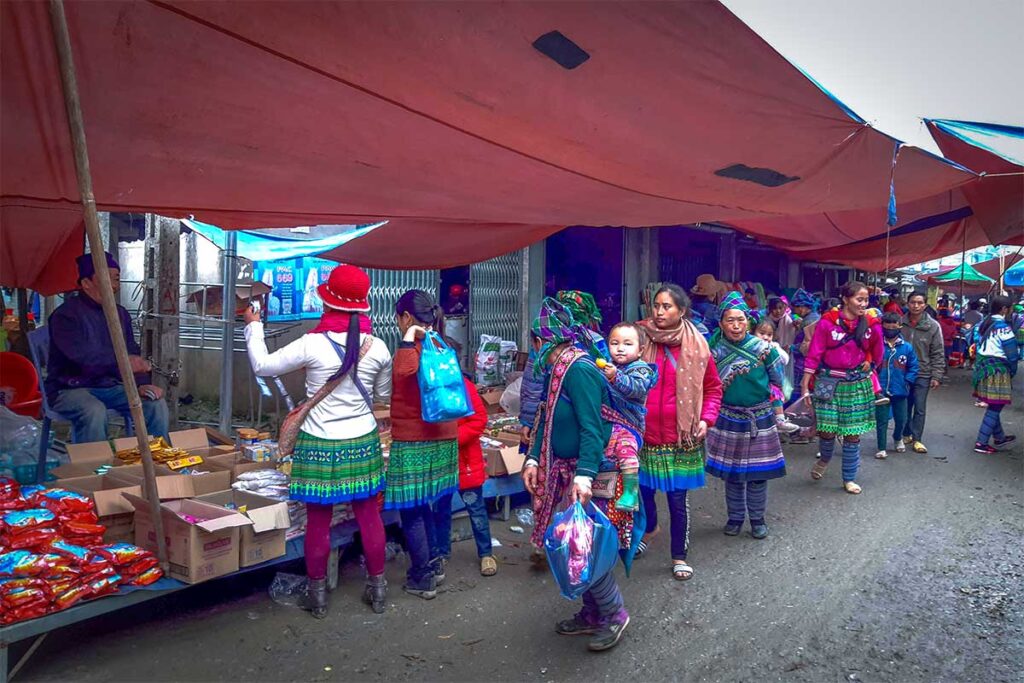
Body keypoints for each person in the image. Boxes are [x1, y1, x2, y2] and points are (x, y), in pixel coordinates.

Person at [244, 264, 393, 618]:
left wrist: (253, 325)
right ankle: (378, 589)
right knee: (369, 515)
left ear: (328, 303)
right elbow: (383, 396)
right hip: (362, 441)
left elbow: (263, 365)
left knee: (318, 520)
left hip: (318, 443)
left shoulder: (311, 344)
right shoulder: (379, 348)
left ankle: (317, 596)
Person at [522, 298, 641, 652]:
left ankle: (615, 614)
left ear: (542, 341)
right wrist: (533, 459)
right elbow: (546, 417)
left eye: (535, 342)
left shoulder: (579, 370)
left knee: (586, 545)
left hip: (593, 471)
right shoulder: (556, 370)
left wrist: (584, 476)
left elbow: (591, 427)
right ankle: (592, 614)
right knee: (576, 542)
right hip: (567, 469)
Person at [635, 285, 723, 581]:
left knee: (677, 500)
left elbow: (713, 388)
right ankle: (650, 528)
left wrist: (706, 419)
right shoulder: (639, 338)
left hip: (681, 437)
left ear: (682, 311)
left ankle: (679, 555)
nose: (659, 312)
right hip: (644, 433)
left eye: (667, 306)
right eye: (656, 306)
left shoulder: (698, 345)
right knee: (642, 491)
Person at [46, 252, 169, 443]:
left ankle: (156, 458)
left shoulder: (120, 314)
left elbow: (131, 350)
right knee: (93, 411)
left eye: (116, 278)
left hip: (110, 386)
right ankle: (94, 462)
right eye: (107, 277)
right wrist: (122, 362)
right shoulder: (65, 316)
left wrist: (142, 383)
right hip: (69, 388)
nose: (114, 285)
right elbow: (81, 357)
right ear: (86, 283)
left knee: (155, 404)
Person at [387, 290, 460, 599]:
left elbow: (403, 370)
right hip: (443, 437)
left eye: (398, 318)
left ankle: (422, 576)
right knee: (424, 504)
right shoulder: (441, 343)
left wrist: (408, 338)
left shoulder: (416, 345)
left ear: (406, 317)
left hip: (416, 439)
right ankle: (434, 564)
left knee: (412, 509)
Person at [707, 294, 787, 539]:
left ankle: (757, 519)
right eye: (730, 320)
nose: (736, 325)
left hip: (759, 417)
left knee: (758, 476)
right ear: (721, 323)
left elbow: (778, 382)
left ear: (748, 322)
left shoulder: (764, 350)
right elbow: (707, 386)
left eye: (740, 320)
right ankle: (735, 518)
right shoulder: (713, 351)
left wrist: (777, 410)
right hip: (728, 417)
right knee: (732, 475)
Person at [801, 281, 883, 495]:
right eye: (859, 299)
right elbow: (815, 353)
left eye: (866, 300)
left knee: (852, 435)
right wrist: (804, 384)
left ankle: (849, 478)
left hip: (857, 384)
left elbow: (878, 351)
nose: (863, 304)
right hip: (828, 382)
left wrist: (870, 360)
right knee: (826, 431)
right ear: (845, 299)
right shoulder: (827, 323)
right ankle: (825, 458)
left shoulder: (872, 324)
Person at [431, 374, 498, 577]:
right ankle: (442, 552)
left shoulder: (464, 386)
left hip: (465, 463)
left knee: (476, 510)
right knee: (440, 511)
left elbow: (479, 419)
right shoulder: (429, 387)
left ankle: (486, 553)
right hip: (440, 463)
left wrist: (451, 438)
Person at [597, 322, 658, 511]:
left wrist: (615, 377)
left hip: (629, 425)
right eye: (614, 343)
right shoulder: (608, 366)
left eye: (627, 344)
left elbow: (636, 388)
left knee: (626, 450)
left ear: (640, 350)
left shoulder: (641, 369)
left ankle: (631, 490)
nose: (620, 348)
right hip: (608, 424)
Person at [972, 295, 1019, 454]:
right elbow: (1012, 354)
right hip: (998, 370)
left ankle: (999, 437)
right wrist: (1013, 370)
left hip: (982, 368)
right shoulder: (1003, 328)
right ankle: (981, 443)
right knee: (996, 405)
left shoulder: (983, 323)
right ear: (1004, 309)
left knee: (994, 403)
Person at [900, 291, 946, 454]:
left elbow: (938, 352)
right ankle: (905, 434)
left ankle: (917, 439)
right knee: (905, 405)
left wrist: (937, 375)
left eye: (919, 303)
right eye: (913, 302)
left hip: (923, 373)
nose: (916, 306)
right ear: (907, 304)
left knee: (919, 407)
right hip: (903, 372)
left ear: (925, 305)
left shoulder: (933, 326)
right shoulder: (900, 323)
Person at [874, 312, 919, 459]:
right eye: (887, 328)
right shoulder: (877, 345)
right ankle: (881, 447)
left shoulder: (907, 348)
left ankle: (898, 437)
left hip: (900, 389)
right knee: (881, 420)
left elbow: (913, 367)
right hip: (880, 389)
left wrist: (907, 381)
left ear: (899, 327)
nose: (890, 330)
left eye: (893, 328)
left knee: (901, 419)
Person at [752, 319, 801, 434]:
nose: (765, 337)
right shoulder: (751, 346)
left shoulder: (774, 346)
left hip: (771, 381)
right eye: (762, 333)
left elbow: (785, 359)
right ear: (752, 333)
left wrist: (774, 349)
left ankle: (780, 420)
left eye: (769, 335)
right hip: (756, 380)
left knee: (775, 394)